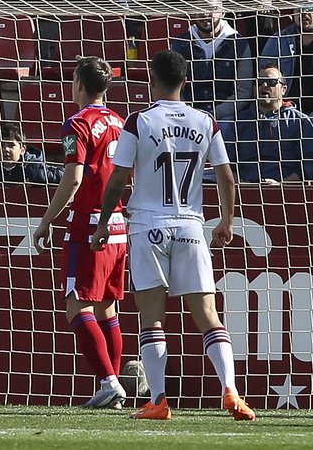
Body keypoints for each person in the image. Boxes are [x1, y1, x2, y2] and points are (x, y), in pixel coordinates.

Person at [91, 49, 256, 421]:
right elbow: (227, 177)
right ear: (185, 81)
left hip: (148, 225)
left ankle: (160, 401)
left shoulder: (140, 121)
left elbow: (118, 178)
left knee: (152, 318)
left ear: (151, 79)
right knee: (209, 316)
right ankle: (231, 391)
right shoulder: (205, 121)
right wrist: (226, 221)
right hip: (191, 227)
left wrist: (103, 222)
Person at [32, 56, 127, 409]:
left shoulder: (78, 123)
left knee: (77, 307)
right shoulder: (121, 122)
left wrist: (46, 220)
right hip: (118, 224)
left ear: (80, 85)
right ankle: (112, 385)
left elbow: (73, 177)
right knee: (107, 309)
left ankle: (108, 381)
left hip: (89, 225)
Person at [219, 62, 313, 184]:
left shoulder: (300, 122)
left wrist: (281, 184)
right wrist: (241, 184)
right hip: (244, 192)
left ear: (283, 89)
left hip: (288, 192)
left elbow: (310, 164)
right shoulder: (238, 122)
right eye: (259, 82)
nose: (264, 85)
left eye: (271, 83)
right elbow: (226, 163)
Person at [170, 0, 254, 120]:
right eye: (200, 8)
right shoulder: (180, 44)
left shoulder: (239, 44)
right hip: (187, 116)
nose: (205, 14)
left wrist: (214, 114)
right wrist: (189, 113)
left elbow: (243, 93)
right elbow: (174, 88)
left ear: (223, 12)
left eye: (211, 8)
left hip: (226, 118)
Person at [259, 0, 313, 114]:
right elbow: (261, 79)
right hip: (284, 113)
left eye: (309, 7)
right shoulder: (277, 41)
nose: (303, 13)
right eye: (298, 8)